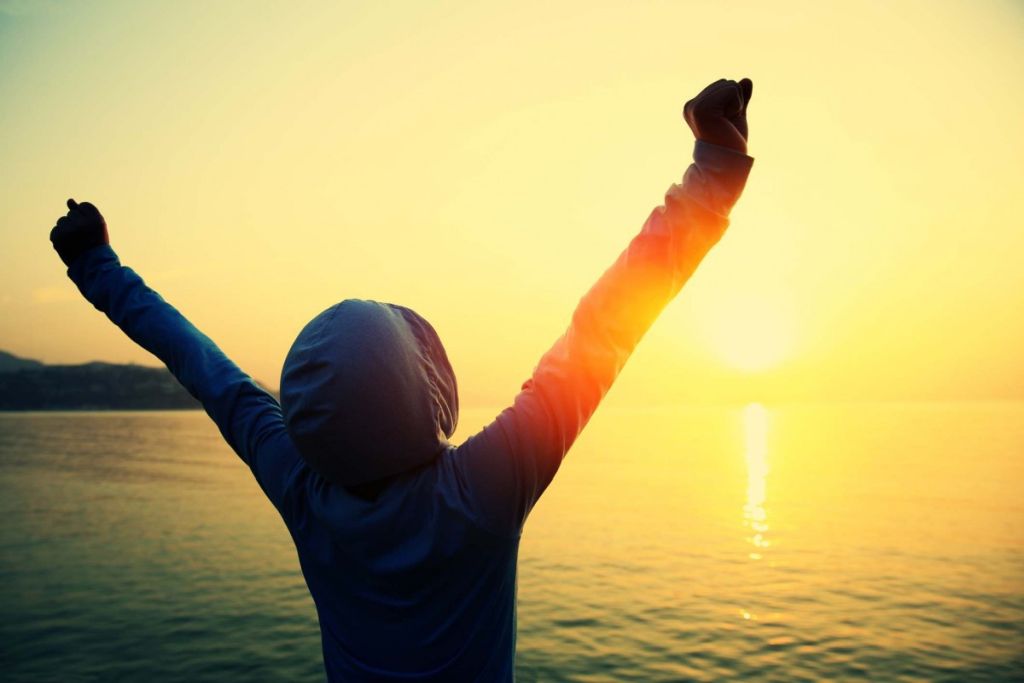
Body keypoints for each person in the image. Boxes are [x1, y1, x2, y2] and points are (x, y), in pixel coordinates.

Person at [49, 77, 754, 681]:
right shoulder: (483, 489)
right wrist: (715, 169)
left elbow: (203, 367)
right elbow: (606, 327)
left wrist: (96, 268)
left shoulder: (302, 486)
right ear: (428, 388)